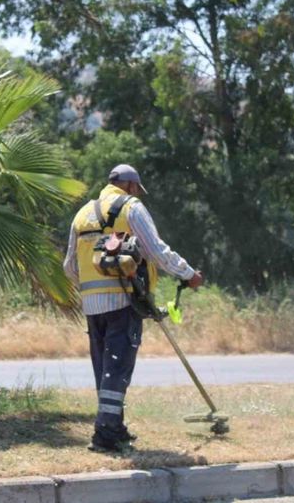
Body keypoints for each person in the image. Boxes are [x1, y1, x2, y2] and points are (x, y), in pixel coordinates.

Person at [63, 164, 204, 452]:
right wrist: (188, 275)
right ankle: (104, 436)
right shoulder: (131, 207)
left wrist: (91, 287)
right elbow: (157, 251)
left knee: (106, 368)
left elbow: (69, 266)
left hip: (92, 307)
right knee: (118, 368)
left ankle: (114, 427)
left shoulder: (82, 213)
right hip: (123, 302)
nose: (138, 193)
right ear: (129, 185)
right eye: (137, 188)